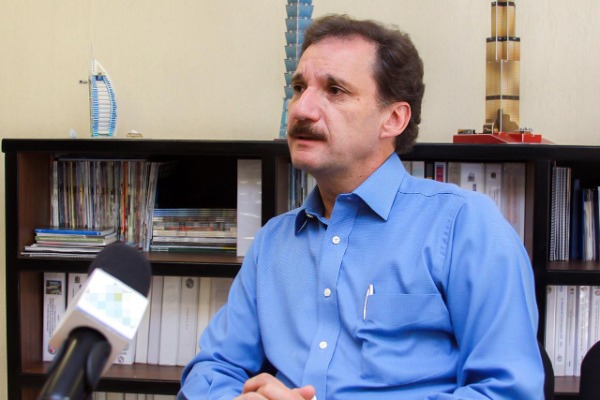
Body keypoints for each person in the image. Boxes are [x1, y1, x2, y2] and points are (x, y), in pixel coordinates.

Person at [179, 14, 544, 399]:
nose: (301, 109)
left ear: (393, 118)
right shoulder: (273, 242)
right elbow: (210, 369)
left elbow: (509, 392)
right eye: (299, 88)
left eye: (335, 90)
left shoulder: (464, 227)